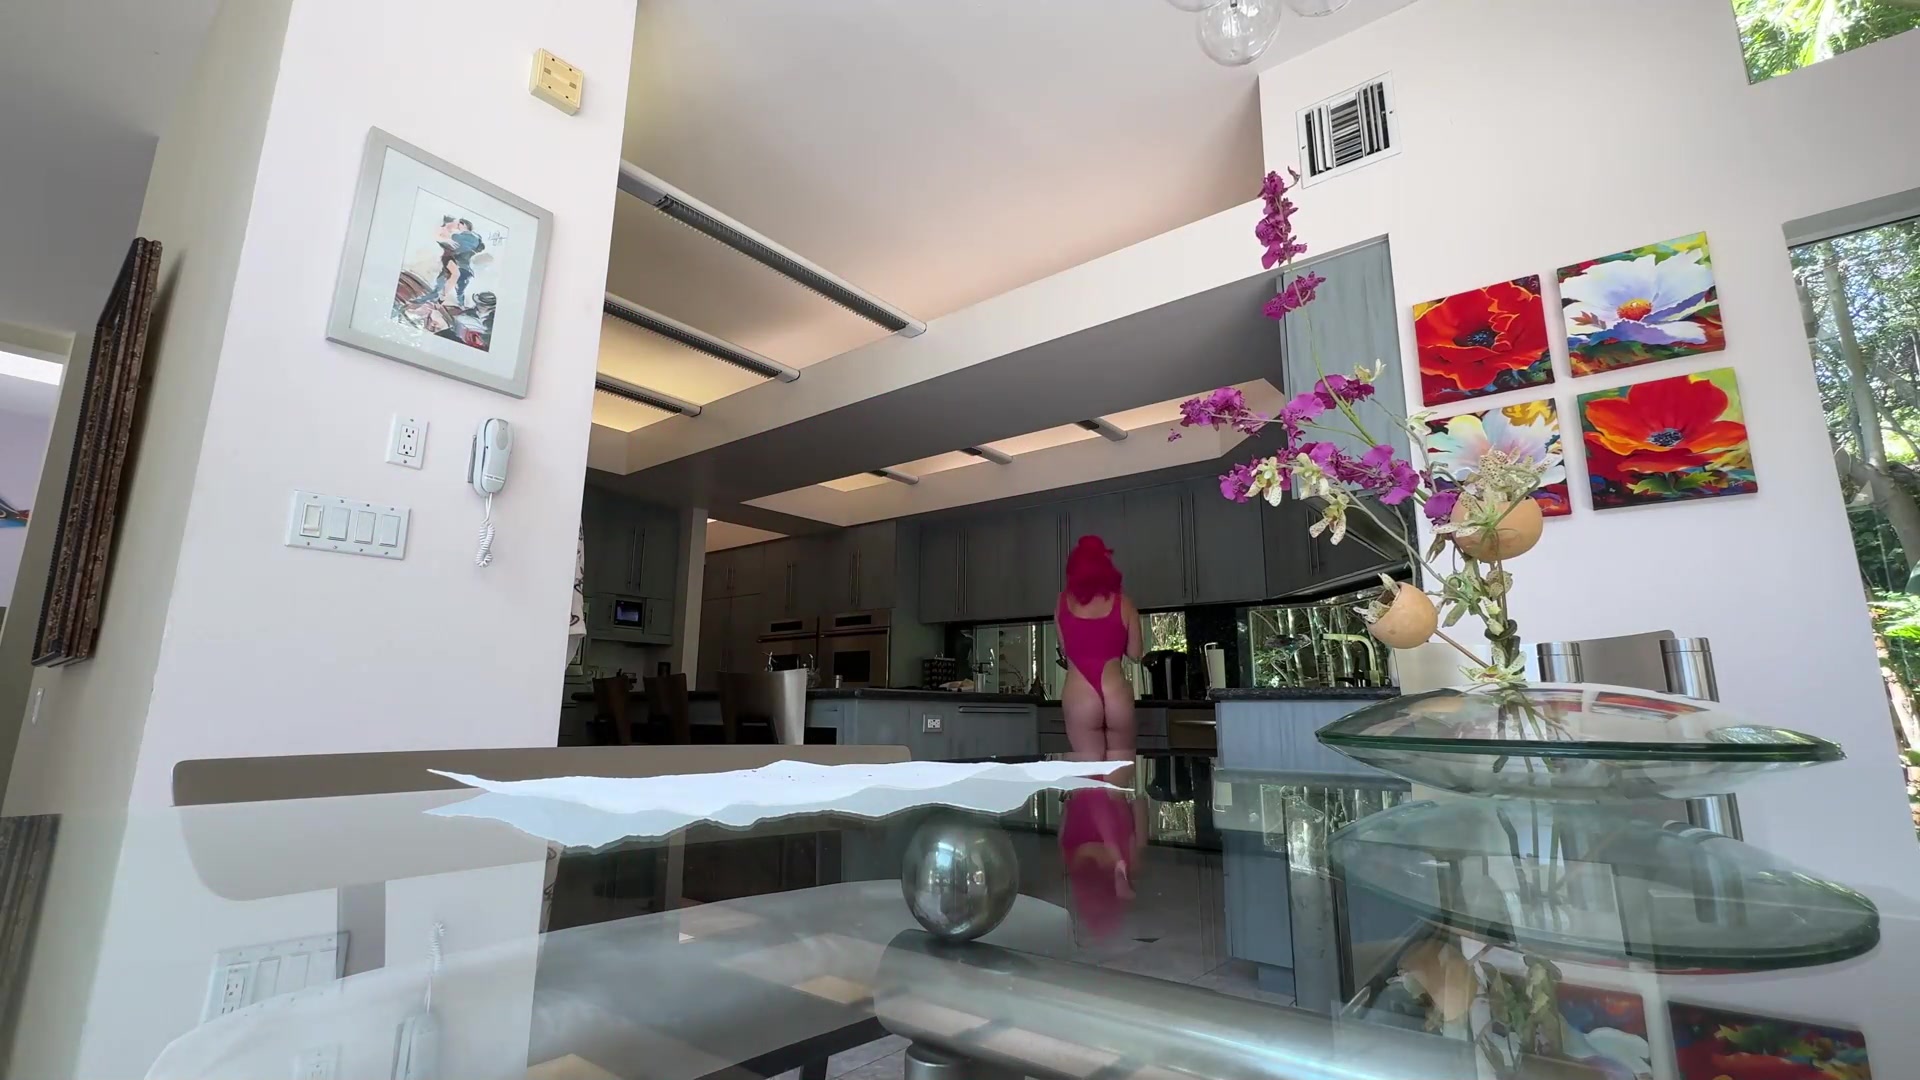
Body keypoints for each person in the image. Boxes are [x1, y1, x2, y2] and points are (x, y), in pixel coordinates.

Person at [1056, 535, 1143, 759]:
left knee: (1089, 774)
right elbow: (1135, 654)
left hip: (1080, 695)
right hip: (1116, 691)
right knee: (1119, 774)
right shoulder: (1124, 603)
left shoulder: (1062, 603)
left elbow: (1065, 649)